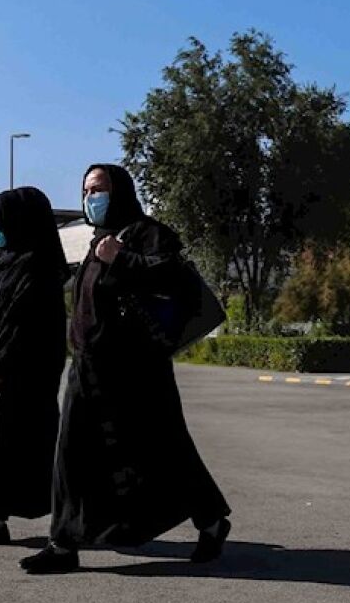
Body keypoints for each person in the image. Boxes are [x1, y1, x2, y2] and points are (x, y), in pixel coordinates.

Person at [21, 164, 231, 574]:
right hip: (89, 367)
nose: (90, 198)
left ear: (120, 192)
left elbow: (177, 282)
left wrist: (123, 258)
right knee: (72, 454)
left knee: (166, 450)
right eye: (85, 191)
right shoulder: (99, 238)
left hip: (135, 372)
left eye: (98, 189)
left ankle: (210, 521)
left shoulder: (146, 233)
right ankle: (63, 543)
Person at [0, 186, 69, 546]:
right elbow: (5, 317)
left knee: (6, 449)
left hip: (21, 376)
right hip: (7, 370)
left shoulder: (36, 267)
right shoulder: (15, 264)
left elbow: (23, 324)